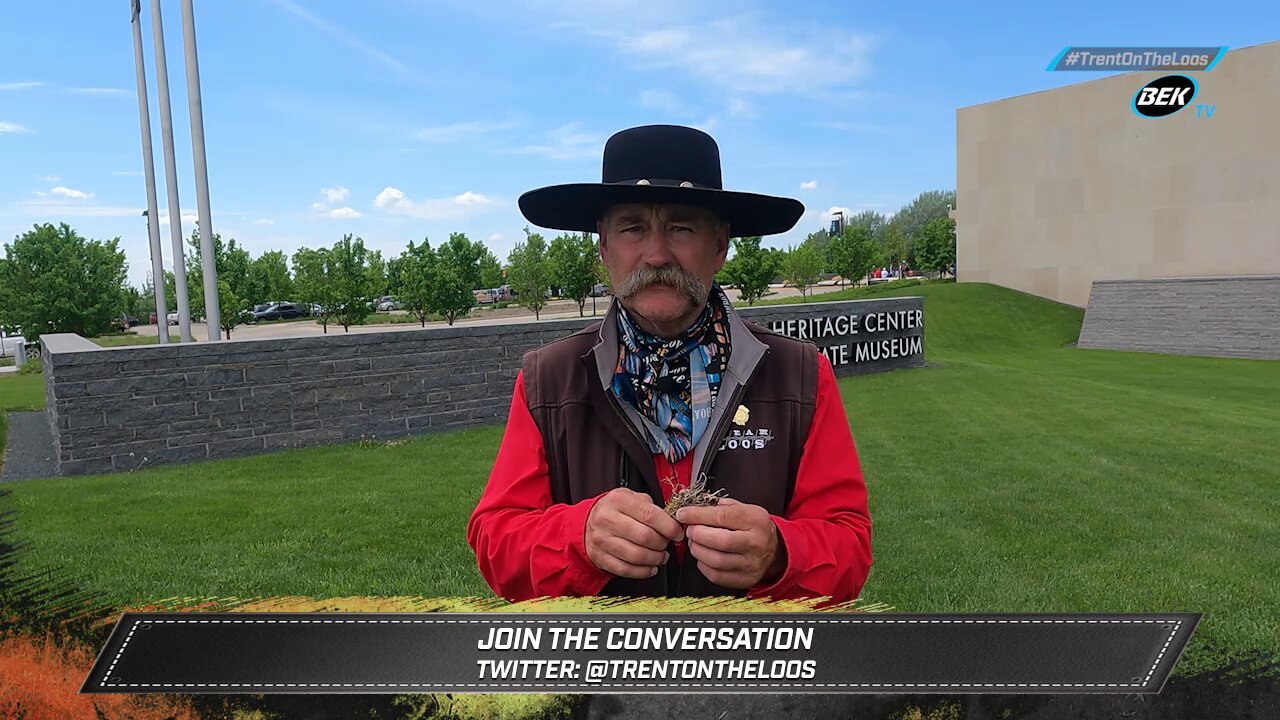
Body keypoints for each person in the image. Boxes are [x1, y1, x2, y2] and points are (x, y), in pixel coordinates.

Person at [466, 125, 872, 602]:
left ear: (720, 246)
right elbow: (496, 539)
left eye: (681, 227)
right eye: (633, 227)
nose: (656, 254)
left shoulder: (799, 375)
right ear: (603, 247)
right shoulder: (548, 381)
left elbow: (849, 543)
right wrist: (578, 537)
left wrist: (781, 552)